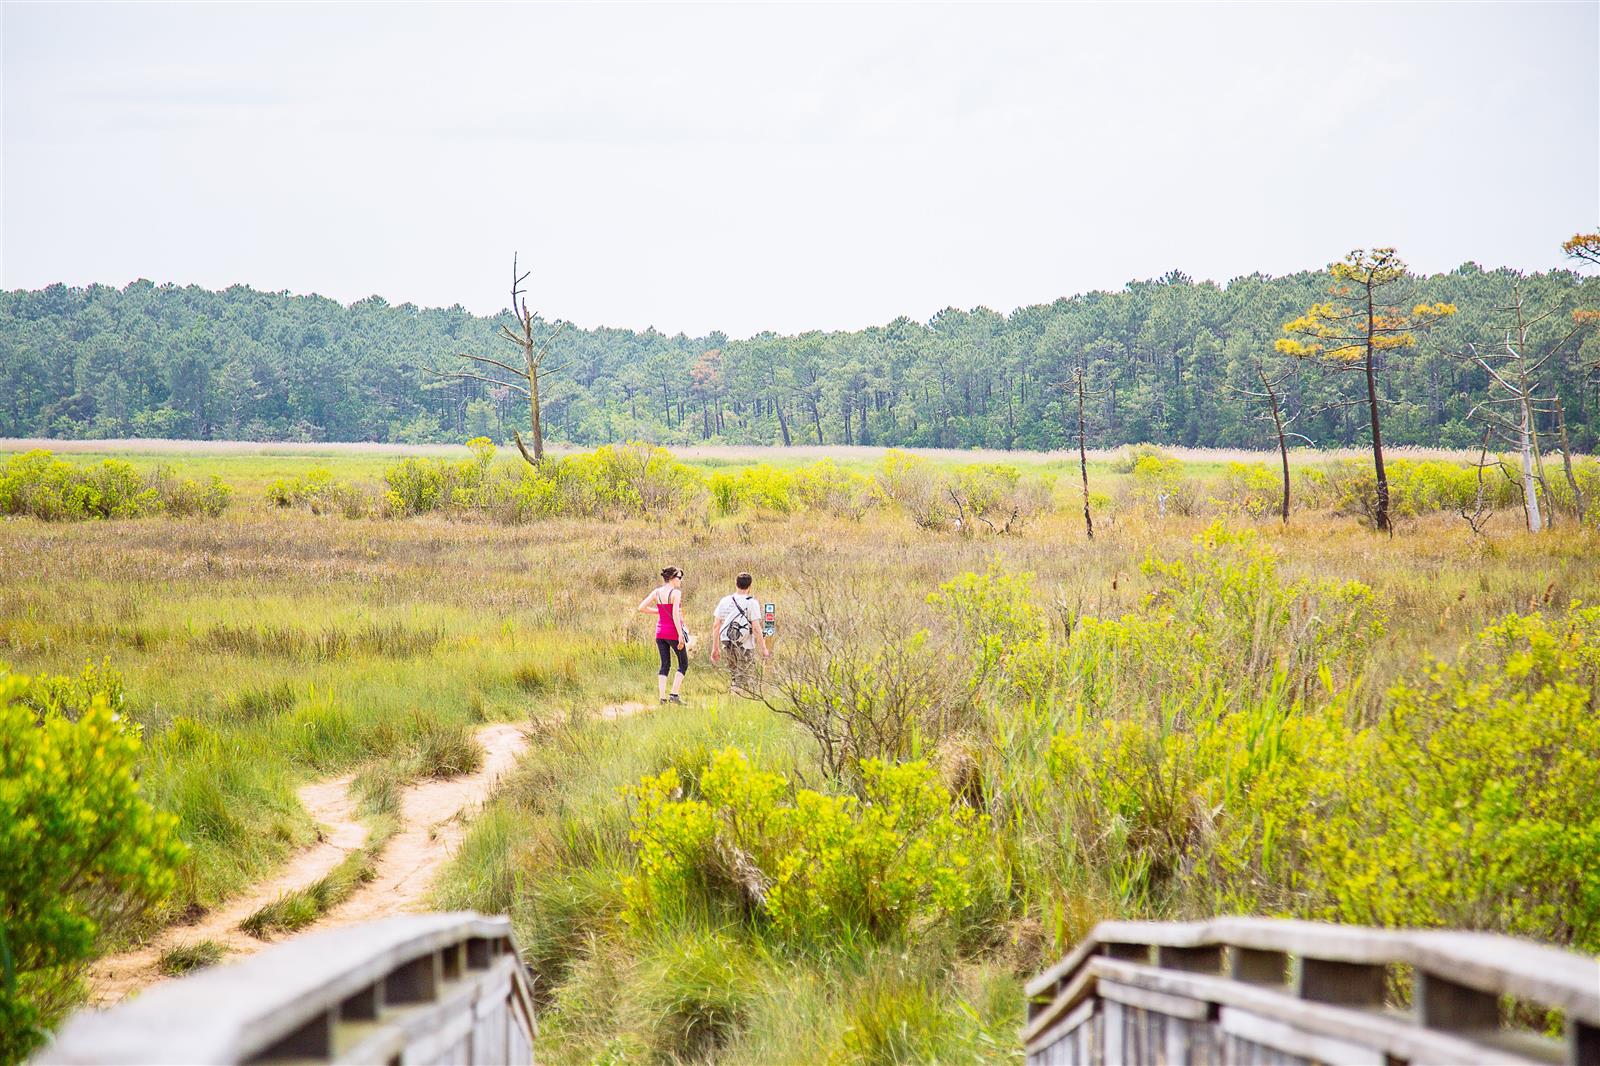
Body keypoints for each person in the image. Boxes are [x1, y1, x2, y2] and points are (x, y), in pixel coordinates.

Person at [710, 571, 770, 695]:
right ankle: (740, 699)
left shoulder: (725, 601)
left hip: (728, 643)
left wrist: (715, 648)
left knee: (734, 674)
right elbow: (756, 628)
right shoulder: (751, 602)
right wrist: (763, 647)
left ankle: (734, 698)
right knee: (745, 675)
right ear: (750, 586)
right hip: (745, 645)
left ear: (736, 584)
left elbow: (716, 625)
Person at [637, 565, 687, 704]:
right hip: (672, 632)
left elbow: (641, 607)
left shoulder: (657, 592)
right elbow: (675, 615)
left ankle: (662, 698)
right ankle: (674, 695)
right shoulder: (676, 593)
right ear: (672, 578)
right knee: (683, 663)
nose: (680, 580)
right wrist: (680, 635)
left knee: (665, 664)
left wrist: (658, 611)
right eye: (678, 577)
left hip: (660, 632)